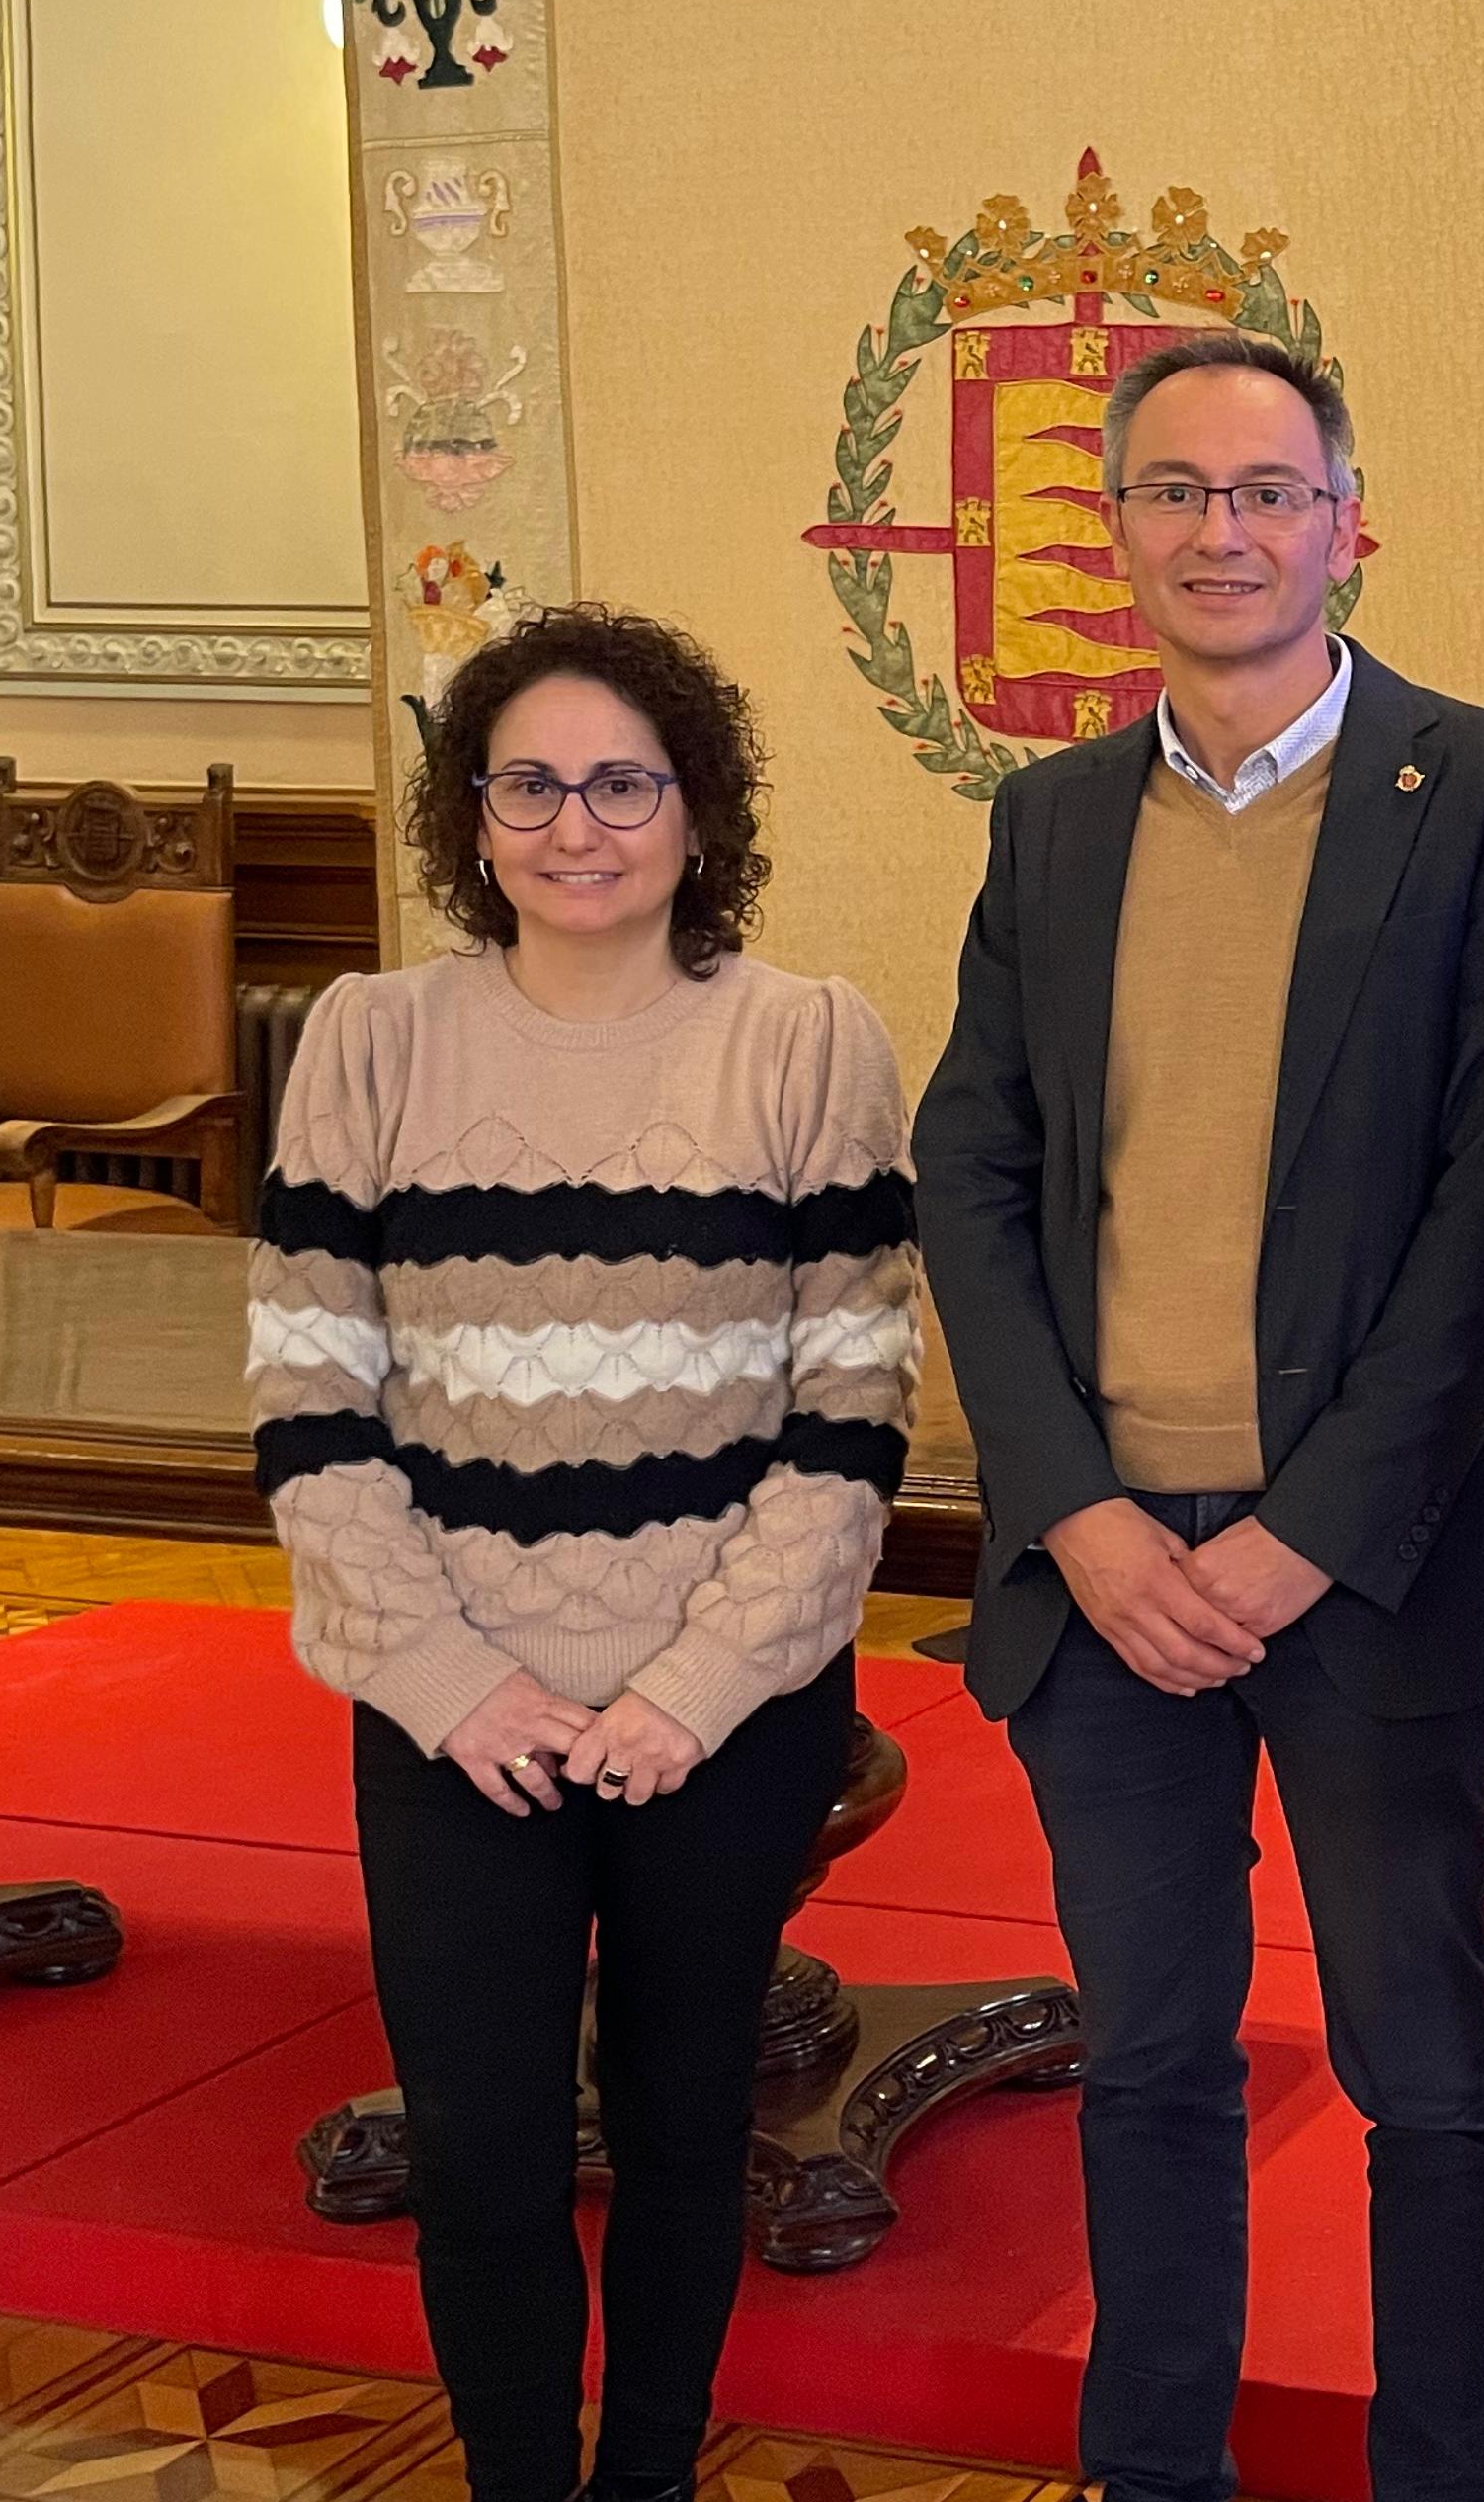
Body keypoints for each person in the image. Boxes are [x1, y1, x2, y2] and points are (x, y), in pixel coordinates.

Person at [913, 327, 1484, 2502]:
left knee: (1428, 2075)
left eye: (1266, 492)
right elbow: (973, 1166)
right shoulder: (1049, 821)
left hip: (1372, 1565)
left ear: (1346, 524)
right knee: (1146, 2063)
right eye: (1176, 493)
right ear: (1116, 533)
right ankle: (1156, 2474)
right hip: (1107, 1567)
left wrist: (1305, 1535)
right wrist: (1076, 1511)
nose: (1222, 532)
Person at [250, 606, 917, 2502]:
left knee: (688, 2136)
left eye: (625, 784)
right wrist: (458, 1688)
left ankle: (650, 2478)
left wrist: (690, 1693)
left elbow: (851, 1417)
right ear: (472, 817)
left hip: (725, 1718)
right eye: (528, 785)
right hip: (461, 1720)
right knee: (479, 2151)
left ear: (699, 809)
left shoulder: (805, 1041)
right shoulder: (372, 1041)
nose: (577, 826)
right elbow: (309, 1410)